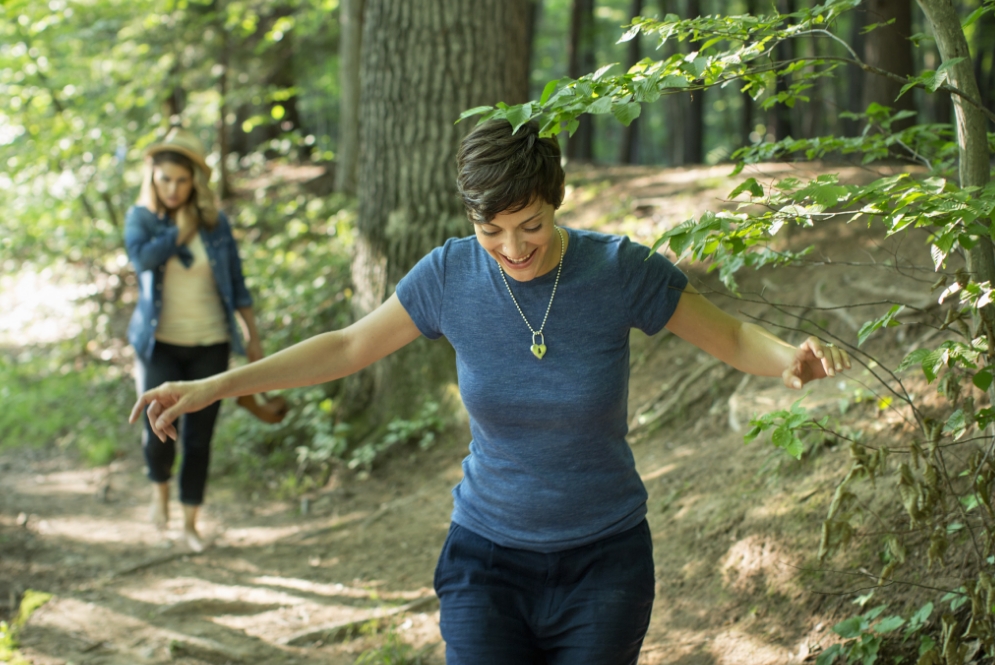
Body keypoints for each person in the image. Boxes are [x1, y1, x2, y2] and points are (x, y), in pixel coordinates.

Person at [129, 119, 850, 663]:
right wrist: (216, 384)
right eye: (490, 229)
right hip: (485, 557)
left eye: (530, 225)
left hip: (604, 559)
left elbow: (727, 336)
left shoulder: (616, 270)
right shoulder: (449, 276)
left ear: (556, 203)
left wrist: (789, 357)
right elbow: (348, 346)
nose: (511, 248)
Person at [124, 127, 265, 552]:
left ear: (194, 181)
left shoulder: (215, 223)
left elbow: (237, 283)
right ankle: (159, 490)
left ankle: (189, 523)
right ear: (153, 178)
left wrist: (251, 337)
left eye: (181, 180)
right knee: (158, 431)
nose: (173, 188)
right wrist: (179, 232)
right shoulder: (141, 219)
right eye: (165, 179)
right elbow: (142, 259)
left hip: (210, 343)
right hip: (160, 345)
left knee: (200, 437)